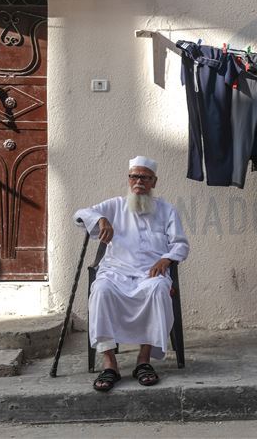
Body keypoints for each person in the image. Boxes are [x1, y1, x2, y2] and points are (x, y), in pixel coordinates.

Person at [74, 156, 189, 392]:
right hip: (115, 272)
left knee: (159, 290)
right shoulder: (115, 206)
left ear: (154, 181)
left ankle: (143, 360)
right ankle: (109, 363)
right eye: (134, 176)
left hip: (150, 273)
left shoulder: (167, 210)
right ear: (128, 179)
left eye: (144, 177)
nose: (138, 181)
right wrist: (101, 219)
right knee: (101, 290)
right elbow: (79, 215)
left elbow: (181, 244)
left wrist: (166, 259)